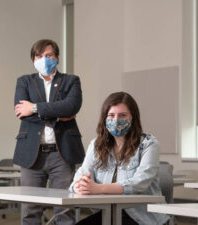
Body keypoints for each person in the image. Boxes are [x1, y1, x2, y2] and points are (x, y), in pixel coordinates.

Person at [13, 39, 85, 225]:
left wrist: (35, 108)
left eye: (49, 55)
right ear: (33, 59)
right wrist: (59, 115)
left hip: (62, 154)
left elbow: (71, 106)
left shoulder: (71, 81)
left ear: (57, 58)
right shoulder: (24, 81)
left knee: (64, 211)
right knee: (30, 211)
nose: (44, 59)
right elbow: (22, 112)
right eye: (39, 56)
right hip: (32, 155)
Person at [69, 92, 169, 225]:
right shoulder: (96, 144)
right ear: (104, 118)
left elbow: (140, 182)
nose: (116, 120)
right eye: (111, 115)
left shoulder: (149, 144)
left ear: (133, 118)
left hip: (142, 217)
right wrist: (79, 186)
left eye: (122, 115)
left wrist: (98, 188)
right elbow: (83, 173)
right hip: (108, 214)